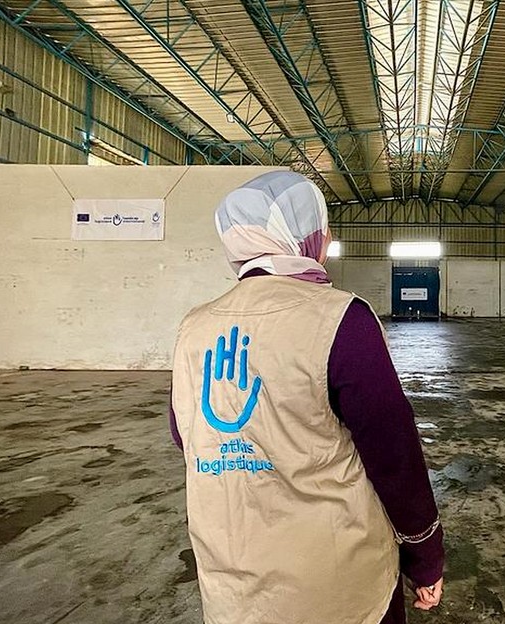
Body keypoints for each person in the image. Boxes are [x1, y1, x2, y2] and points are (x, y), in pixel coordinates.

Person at [169, 171, 444, 624]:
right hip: (336, 583)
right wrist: (424, 552)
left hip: (232, 582)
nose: (328, 238)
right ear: (304, 237)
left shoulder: (194, 327)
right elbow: (394, 457)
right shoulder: (341, 319)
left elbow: (186, 436)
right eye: (322, 229)